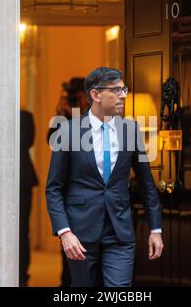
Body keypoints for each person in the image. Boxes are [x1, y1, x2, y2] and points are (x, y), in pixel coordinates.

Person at [46, 67, 163, 287]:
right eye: (116, 90)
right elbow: (54, 188)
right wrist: (64, 232)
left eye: (124, 89)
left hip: (119, 233)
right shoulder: (67, 132)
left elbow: (147, 184)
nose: (123, 95)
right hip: (79, 234)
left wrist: (156, 229)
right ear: (96, 95)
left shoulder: (130, 130)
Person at [47, 77, 89, 287]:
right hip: (69, 191)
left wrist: (78, 111)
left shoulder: (95, 117)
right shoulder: (63, 119)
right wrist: (61, 112)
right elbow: (52, 141)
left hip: (88, 191)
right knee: (68, 242)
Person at [20, 110, 39, 287]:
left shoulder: (25, 116)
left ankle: (22, 274)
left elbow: (26, 142)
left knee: (22, 229)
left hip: (23, 180)